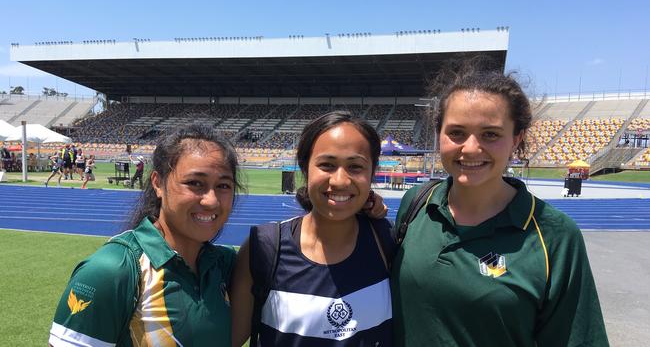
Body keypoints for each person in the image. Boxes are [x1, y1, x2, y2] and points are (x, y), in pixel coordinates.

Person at [390, 67, 609, 346]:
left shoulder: (555, 235)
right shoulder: (416, 204)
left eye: (490, 134)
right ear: (439, 135)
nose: (470, 148)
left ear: (516, 139)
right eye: (456, 132)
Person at [49, 125, 243, 346]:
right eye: (195, 183)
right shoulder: (111, 270)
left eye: (223, 185)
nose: (212, 200)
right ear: (158, 183)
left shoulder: (225, 265)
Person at [231, 111, 392, 346]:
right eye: (327, 165)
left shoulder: (388, 241)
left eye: (355, 167)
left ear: (372, 173)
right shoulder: (263, 249)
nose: (340, 180)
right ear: (305, 169)